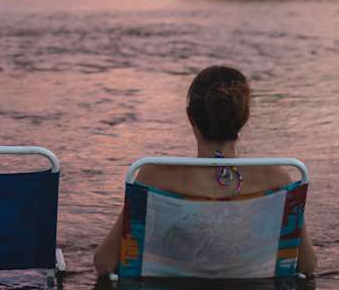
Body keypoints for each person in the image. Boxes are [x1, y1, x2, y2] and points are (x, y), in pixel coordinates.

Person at [93, 65, 317, 277]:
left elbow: (104, 263)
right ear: (244, 118)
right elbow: (306, 266)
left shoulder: (153, 176)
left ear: (191, 117)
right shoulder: (277, 178)